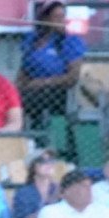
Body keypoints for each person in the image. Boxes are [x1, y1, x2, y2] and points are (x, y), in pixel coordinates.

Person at [17, 1, 86, 130]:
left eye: (63, 17)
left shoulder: (70, 41)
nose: (61, 21)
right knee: (15, 97)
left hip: (59, 91)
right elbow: (23, 70)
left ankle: (38, 136)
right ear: (45, 19)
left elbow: (72, 77)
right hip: (31, 89)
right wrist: (20, 86)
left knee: (34, 98)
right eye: (56, 17)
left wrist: (43, 83)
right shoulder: (32, 40)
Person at [11, 148, 60, 218]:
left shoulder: (61, 188)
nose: (49, 164)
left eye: (51, 160)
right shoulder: (23, 193)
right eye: (42, 161)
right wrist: (52, 199)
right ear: (32, 167)